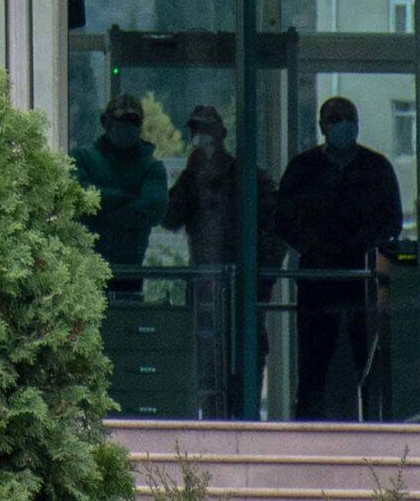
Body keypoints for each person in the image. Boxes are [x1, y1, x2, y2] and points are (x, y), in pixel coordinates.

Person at [273, 94, 404, 421]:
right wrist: (314, 246)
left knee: (369, 362)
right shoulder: (303, 169)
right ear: (322, 126)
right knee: (313, 365)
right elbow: (282, 220)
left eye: (348, 117)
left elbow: (393, 221)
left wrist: (363, 244)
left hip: (363, 282)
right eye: (335, 118)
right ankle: (306, 430)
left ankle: (375, 426)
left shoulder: (376, 168)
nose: (343, 124)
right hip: (317, 281)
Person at [164, 104, 276, 415]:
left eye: (208, 130)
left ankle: (246, 416)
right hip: (205, 282)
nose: (202, 137)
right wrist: (191, 176)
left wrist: (263, 277)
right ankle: (211, 418)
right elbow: (170, 217)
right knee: (206, 356)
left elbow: (277, 224)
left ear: (222, 134)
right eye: (196, 131)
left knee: (248, 351)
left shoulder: (248, 175)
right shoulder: (191, 176)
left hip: (243, 283)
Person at [74, 93, 170, 288]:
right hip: (85, 272)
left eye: (133, 120)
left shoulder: (152, 167)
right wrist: (123, 198)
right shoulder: (83, 158)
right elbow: (77, 196)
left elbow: (153, 208)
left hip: (129, 273)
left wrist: (104, 213)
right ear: (105, 122)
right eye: (121, 119)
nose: (127, 126)